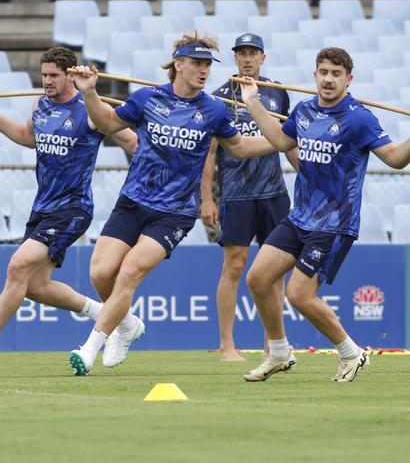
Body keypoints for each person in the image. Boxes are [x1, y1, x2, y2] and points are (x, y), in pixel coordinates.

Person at [68, 32, 284, 376]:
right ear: (178, 65)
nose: (203, 70)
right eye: (196, 64)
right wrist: (90, 92)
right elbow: (108, 122)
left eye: (207, 65)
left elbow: (240, 147)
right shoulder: (147, 98)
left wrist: (282, 141)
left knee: (129, 272)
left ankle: (90, 346)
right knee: (101, 272)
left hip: (175, 213)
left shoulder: (214, 109)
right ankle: (127, 325)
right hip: (133, 200)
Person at [0, 47, 137, 365]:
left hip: (73, 207)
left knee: (17, 266)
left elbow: (131, 141)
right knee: (34, 286)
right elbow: (27, 136)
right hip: (43, 208)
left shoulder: (89, 108)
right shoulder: (41, 105)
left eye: (53, 75)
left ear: (71, 75)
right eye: (43, 75)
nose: (46, 81)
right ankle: (117, 317)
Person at [240, 47, 410, 382]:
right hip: (299, 217)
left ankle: (351, 353)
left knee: (299, 294)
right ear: (315, 75)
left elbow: (395, 159)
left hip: (334, 224)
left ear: (349, 79)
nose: (328, 79)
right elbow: (278, 140)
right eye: (323, 72)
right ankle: (278, 352)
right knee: (257, 279)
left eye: (336, 74)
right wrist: (252, 102)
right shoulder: (303, 111)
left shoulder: (359, 118)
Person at [200, 33, 296, 361]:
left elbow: (287, 141)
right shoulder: (218, 98)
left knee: (276, 268)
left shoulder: (277, 92)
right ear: (235, 58)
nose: (247, 58)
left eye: (253, 52)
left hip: (274, 193)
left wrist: (308, 175)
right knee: (234, 266)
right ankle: (227, 345)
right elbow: (210, 155)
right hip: (236, 195)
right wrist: (207, 200)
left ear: (263, 57)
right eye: (241, 53)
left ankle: (274, 343)